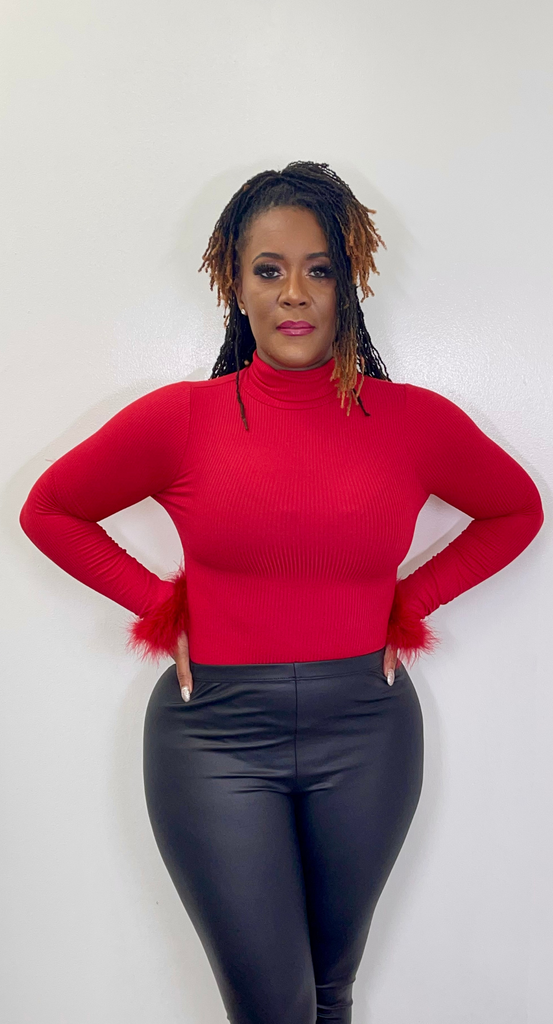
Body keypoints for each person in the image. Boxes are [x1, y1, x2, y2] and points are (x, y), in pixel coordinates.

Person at [19, 160, 544, 1024]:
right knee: (274, 1007)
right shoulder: (181, 419)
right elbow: (50, 511)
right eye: (269, 270)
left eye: (318, 269)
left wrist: (409, 605)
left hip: (367, 732)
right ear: (235, 283)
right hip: (213, 740)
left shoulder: (412, 422)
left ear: (347, 283)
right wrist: (160, 608)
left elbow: (516, 509)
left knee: (330, 994)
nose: (294, 292)